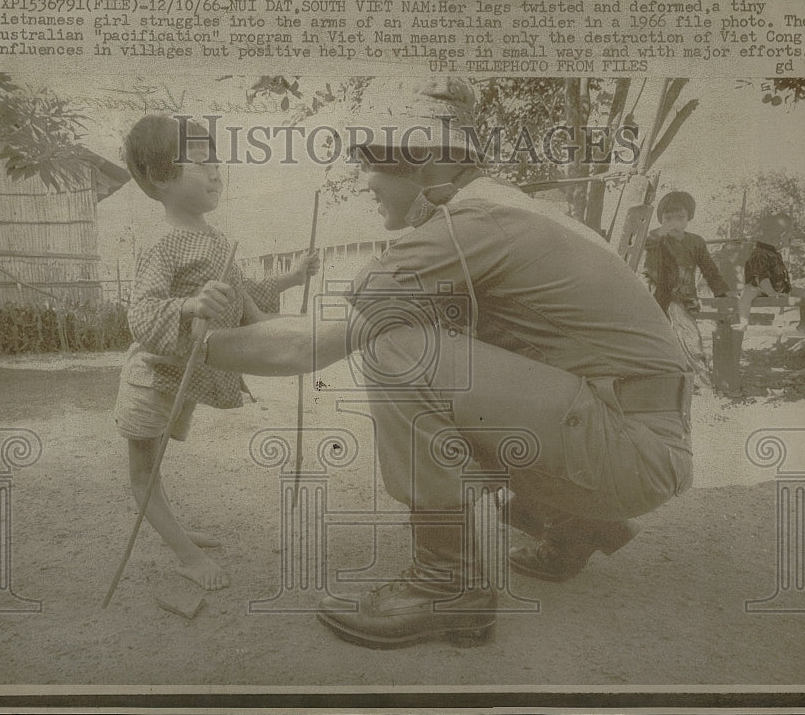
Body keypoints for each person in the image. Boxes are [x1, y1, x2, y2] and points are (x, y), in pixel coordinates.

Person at [200, 78, 694, 648]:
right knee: (443, 344)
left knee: (401, 350)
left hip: (630, 451)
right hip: (643, 438)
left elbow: (312, 346)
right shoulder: (505, 207)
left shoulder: (463, 227)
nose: (366, 179)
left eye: (377, 158)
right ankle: (574, 524)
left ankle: (445, 583)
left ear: (427, 162)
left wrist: (193, 344)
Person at [112, 115, 318, 590]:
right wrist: (189, 305)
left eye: (217, 161)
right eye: (200, 162)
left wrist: (293, 279)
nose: (216, 172)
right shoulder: (160, 244)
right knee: (143, 475)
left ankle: (177, 533)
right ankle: (186, 556)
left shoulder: (219, 240)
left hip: (185, 380)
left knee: (154, 468)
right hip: (152, 377)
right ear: (160, 178)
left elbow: (249, 307)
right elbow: (141, 315)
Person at [643, 191, 730, 387]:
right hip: (659, 298)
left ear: (688, 217)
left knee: (692, 341)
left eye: (680, 217)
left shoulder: (695, 242)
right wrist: (663, 229)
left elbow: (709, 269)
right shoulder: (658, 239)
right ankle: (677, 383)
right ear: (661, 220)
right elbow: (648, 242)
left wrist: (722, 291)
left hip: (685, 299)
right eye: (668, 218)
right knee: (661, 341)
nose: (674, 222)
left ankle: (701, 383)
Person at [733, 213, 805, 332]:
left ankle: (804, 324)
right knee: (746, 295)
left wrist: (784, 288)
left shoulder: (775, 253)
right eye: (788, 238)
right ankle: (744, 322)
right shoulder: (759, 253)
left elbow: (780, 274)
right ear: (779, 237)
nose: (788, 242)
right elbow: (761, 277)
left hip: (778, 287)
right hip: (759, 288)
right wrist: (771, 292)